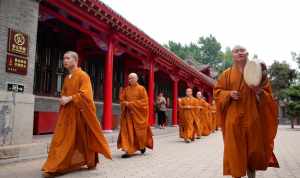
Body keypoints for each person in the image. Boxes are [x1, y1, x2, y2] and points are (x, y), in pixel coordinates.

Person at [42, 51, 112, 177]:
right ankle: (55, 166)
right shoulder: (66, 78)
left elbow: (86, 94)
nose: (65, 60)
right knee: (62, 139)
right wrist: (63, 98)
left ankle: (89, 161)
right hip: (67, 114)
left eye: (68, 58)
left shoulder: (83, 75)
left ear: (75, 60)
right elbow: (64, 92)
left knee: (83, 139)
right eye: (64, 58)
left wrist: (69, 98)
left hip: (80, 114)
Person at [214, 45, 279, 178]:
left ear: (247, 53)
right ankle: (236, 175)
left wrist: (259, 92)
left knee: (253, 152)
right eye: (236, 51)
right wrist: (229, 94)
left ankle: (252, 175)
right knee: (235, 151)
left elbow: (268, 95)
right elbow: (217, 92)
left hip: (253, 117)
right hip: (233, 119)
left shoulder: (258, 71)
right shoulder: (226, 74)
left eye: (242, 50)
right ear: (232, 55)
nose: (239, 53)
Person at [117, 73, 154, 158]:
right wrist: (124, 103)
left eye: (132, 78)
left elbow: (144, 102)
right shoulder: (126, 89)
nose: (130, 80)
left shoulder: (141, 89)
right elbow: (122, 100)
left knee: (139, 133)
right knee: (127, 132)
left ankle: (141, 146)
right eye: (129, 78)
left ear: (137, 79)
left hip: (138, 115)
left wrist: (131, 104)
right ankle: (129, 150)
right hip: (128, 115)